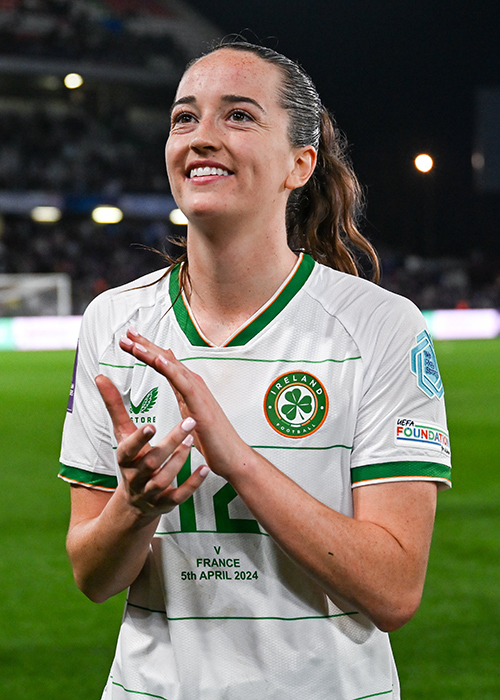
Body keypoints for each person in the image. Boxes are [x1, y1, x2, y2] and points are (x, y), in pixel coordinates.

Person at [59, 40, 452, 700]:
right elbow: (94, 578)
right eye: (185, 118)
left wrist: (238, 459)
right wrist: (134, 505)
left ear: (300, 164)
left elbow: (394, 590)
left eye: (237, 116)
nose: (201, 137)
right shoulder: (113, 322)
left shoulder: (382, 326)